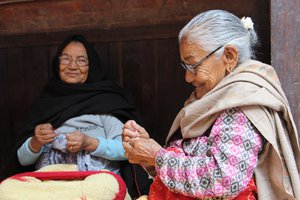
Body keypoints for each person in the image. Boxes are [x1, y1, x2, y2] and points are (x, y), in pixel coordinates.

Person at [122, 10, 300, 200]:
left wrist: (157, 156)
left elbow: (223, 181)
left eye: (193, 65)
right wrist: (148, 157)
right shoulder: (214, 99)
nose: (188, 76)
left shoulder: (242, 104)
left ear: (229, 56)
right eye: (185, 66)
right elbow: (190, 179)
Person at [6, 34, 151, 198]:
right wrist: (36, 141)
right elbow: (22, 160)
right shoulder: (45, 105)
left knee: (103, 186)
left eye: (81, 60)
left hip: (94, 182)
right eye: (66, 59)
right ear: (57, 63)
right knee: (6, 189)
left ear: (92, 66)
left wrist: (90, 143)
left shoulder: (106, 101)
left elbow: (128, 150)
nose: (72, 66)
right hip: (49, 184)